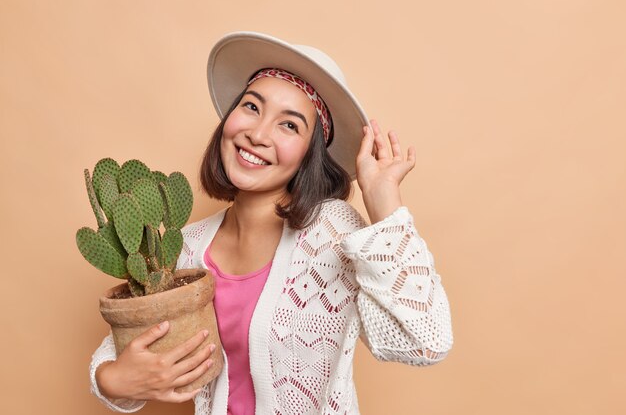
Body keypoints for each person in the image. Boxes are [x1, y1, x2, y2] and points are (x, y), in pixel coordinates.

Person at [89, 31, 454, 415]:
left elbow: (424, 341)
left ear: (309, 156)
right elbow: (123, 351)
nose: (258, 134)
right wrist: (110, 380)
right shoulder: (187, 245)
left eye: (290, 125)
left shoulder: (332, 232)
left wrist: (384, 204)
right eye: (251, 107)